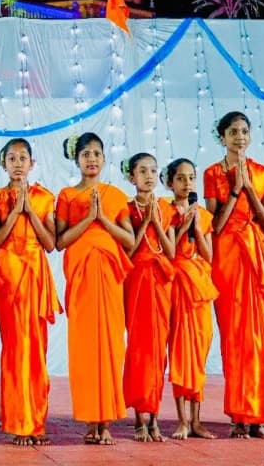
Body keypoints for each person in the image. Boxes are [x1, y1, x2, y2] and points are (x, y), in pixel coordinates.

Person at [54, 132, 135, 446]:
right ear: (76, 159)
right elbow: (61, 240)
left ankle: (107, 421)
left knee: (111, 345)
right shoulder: (67, 195)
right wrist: (89, 218)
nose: (91, 159)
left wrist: (103, 218)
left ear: (104, 158)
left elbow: (129, 240)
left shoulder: (115, 195)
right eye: (86, 154)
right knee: (86, 348)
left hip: (110, 277)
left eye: (96, 154)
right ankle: (90, 420)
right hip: (82, 275)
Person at [203, 111, 264, 439]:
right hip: (228, 256)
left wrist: (249, 187)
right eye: (233, 132)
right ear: (222, 137)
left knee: (260, 338)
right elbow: (213, 225)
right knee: (234, 336)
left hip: (257, 256)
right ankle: (237, 414)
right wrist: (235, 191)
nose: (239, 137)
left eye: (244, 131)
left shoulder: (263, 174)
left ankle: (258, 415)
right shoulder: (212, 173)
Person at [0, 138, 60, 447]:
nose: (18, 164)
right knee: (15, 349)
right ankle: (18, 422)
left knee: (37, 350)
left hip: (35, 275)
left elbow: (50, 243)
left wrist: (29, 210)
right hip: (9, 276)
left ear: (32, 164)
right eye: (12, 158)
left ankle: (36, 422)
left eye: (23, 158)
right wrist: (15, 212)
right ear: (3, 164)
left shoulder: (44, 197)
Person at [120, 152, 176, 442]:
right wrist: (146, 223)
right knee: (139, 348)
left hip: (161, 281)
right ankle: (139, 419)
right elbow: (128, 250)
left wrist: (156, 220)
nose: (149, 176)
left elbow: (171, 250)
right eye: (142, 171)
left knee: (158, 350)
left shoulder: (166, 208)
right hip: (137, 280)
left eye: (153, 170)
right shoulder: (126, 208)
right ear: (132, 177)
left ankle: (154, 417)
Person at [163, 158, 217, 440]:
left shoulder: (203, 215)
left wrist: (196, 226)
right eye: (181, 178)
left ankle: (197, 420)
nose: (187, 183)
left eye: (191, 178)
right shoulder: (165, 212)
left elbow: (209, 255)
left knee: (199, 353)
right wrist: (184, 227)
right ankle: (182, 420)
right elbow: (169, 252)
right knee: (181, 352)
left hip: (200, 287)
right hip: (178, 284)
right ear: (170, 183)